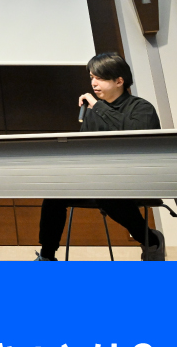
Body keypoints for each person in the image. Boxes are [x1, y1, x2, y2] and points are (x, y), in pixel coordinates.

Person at [36, 52, 165, 261]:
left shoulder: (141, 108)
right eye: (91, 78)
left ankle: (151, 240)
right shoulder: (93, 113)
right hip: (98, 179)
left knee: (108, 194)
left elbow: (134, 134)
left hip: (136, 180)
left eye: (100, 78)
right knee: (55, 193)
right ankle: (47, 257)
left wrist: (97, 106)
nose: (93, 83)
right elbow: (84, 149)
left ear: (119, 81)